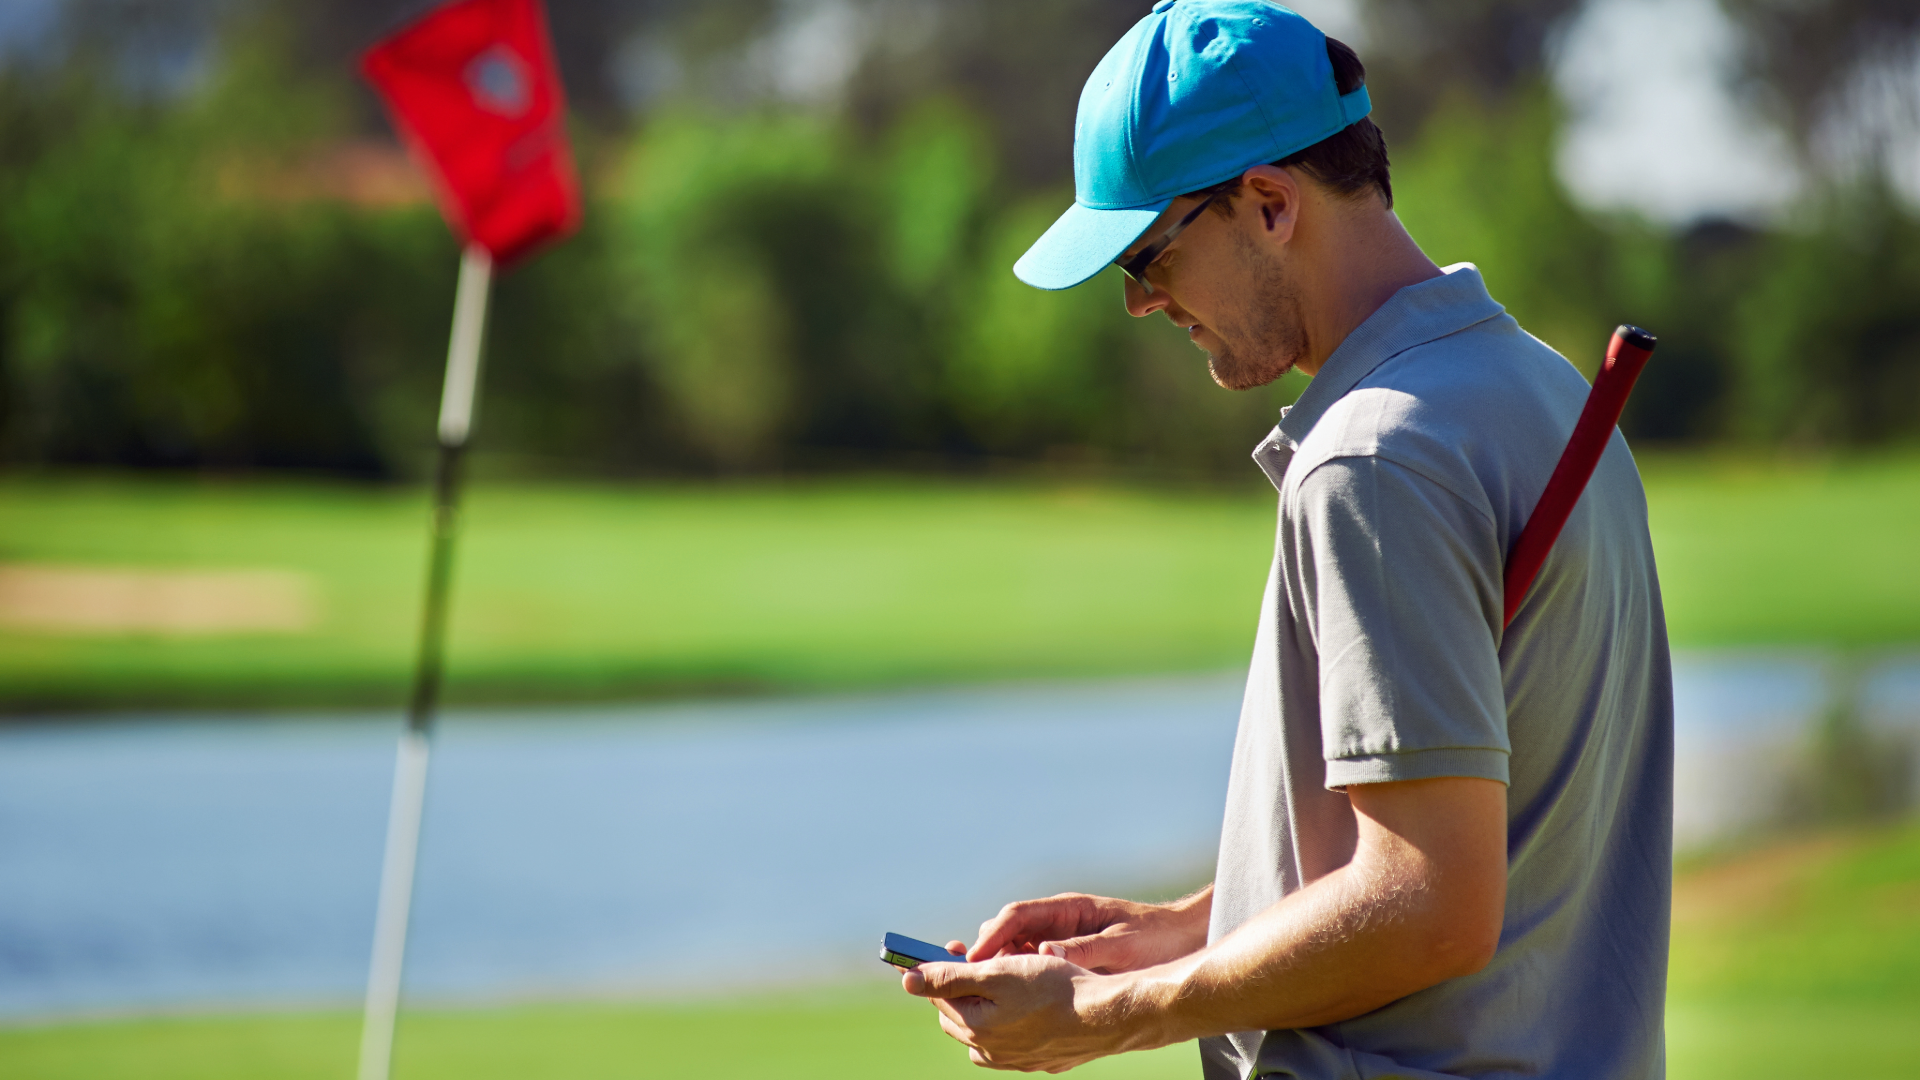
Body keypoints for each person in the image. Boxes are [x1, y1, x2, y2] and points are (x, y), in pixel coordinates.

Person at [897, 3, 1674, 1077]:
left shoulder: (1373, 459)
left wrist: (1106, 1015)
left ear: (1267, 204)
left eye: (1149, 255)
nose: (1139, 304)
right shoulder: (1532, 388)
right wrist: (1177, 931)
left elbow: (1431, 906)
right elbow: (1444, 824)